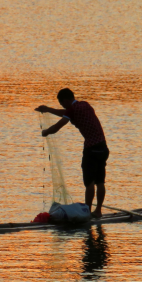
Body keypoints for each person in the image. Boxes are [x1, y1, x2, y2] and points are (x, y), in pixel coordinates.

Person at [35, 88, 110, 219]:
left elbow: (58, 126)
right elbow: (65, 112)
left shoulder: (72, 110)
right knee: (100, 181)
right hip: (103, 147)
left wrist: (45, 132)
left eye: (62, 102)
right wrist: (48, 109)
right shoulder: (84, 104)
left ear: (68, 99)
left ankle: (87, 212)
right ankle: (97, 211)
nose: (62, 105)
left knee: (89, 183)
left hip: (91, 149)